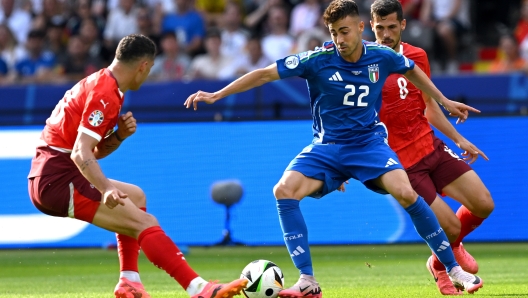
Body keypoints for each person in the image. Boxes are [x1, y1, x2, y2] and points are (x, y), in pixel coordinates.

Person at [184, 1, 484, 297]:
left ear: (360, 28)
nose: (339, 40)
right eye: (333, 32)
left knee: (406, 192)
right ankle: (306, 280)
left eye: (344, 31)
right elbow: (263, 73)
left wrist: (444, 101)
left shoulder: (381, 56)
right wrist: (217, 94)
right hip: (328, 149)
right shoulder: (316, 59)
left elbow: (412, 69)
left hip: (369, 145)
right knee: (283, 191)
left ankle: (451, 268)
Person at [27, 34, 247, 298]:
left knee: (135, 196)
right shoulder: (105, 93)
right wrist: (106, 187)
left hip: (53, 173)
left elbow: (93, 152)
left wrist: (118, 136)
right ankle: (199, 288)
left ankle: (129, 282)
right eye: (150, 68)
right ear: (143, 65)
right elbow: (79, 153)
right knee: (145, 222)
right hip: (58, 178)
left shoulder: (104, 84)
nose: (148, 74)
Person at [369, 0, 494, 295]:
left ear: (402, 25)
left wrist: (460, 139)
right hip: (402, 164)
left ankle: (442, 257)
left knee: (484, 203)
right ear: (370, 27)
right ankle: (442, 267)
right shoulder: (364, 63)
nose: (385, 34)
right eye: (379, 28)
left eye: (391, 27)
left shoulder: (417, 56)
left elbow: (429, 107)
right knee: (449, 227)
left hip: (431, 148)